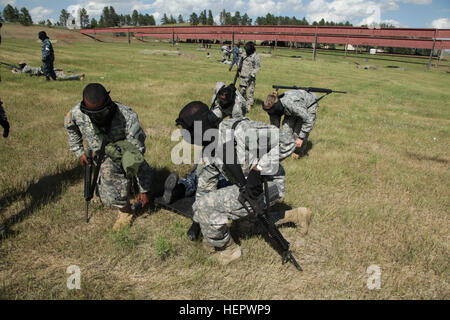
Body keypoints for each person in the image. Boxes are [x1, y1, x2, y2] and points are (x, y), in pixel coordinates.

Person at [176, 101, 312, 265]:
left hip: (269, 184)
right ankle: (296, 215)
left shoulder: (239, 130)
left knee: (205, 207)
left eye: (189, 132)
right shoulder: (209, 149)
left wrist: (258, 169)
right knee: (244, 227)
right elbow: (205, 187)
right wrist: (197, 221)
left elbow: (287, 142)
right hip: (247, 190)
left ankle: (229, 252)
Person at [64, 83, 153, 231]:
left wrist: (144, 190)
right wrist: (79, 152)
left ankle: (125, 211)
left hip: (124, 154)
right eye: (92, 114)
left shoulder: (127, 116)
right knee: (106, 197)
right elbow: (71, 129)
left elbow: (137, 158)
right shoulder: (77, 114)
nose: (97, 116)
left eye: (100, 112)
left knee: (112, 182)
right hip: (101, 156)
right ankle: (119, 189)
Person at [162, 81, 248, 205]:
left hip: (211, 147)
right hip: (223, 153)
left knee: (196, 176)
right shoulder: (227, 104)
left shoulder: (229, 105)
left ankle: (179, 189)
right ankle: (186, 188)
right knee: (222, 181)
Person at [262, 89, 318, 159]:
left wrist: (301, 138)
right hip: (291, 110)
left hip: (308, 104)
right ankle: (286, 151)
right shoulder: (272, 108)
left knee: (297, 134)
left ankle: (297, 153)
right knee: (286, 131)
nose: (268, 112)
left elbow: (308, 120)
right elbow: (275, 125)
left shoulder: (291, 104)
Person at [237, 42, 260, 109]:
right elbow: (240, 62)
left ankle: (249, 106)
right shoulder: (243, 54)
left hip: (250, 78)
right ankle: (242, 103)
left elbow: (257, 67)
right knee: (241, 91)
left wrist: (252, 74)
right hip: (242, 76)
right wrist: (238, 69)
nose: (246, 51)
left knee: (250, 92)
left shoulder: (256, 56)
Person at [11, 61, 85, 81]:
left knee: (65, 78)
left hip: (48, 72)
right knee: (64, 77)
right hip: (48, 71)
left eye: (20, 65)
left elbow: (21, 73)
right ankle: (78, 77)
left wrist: (14, 71)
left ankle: (79, 76)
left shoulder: (26, 68)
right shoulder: (27, 67)